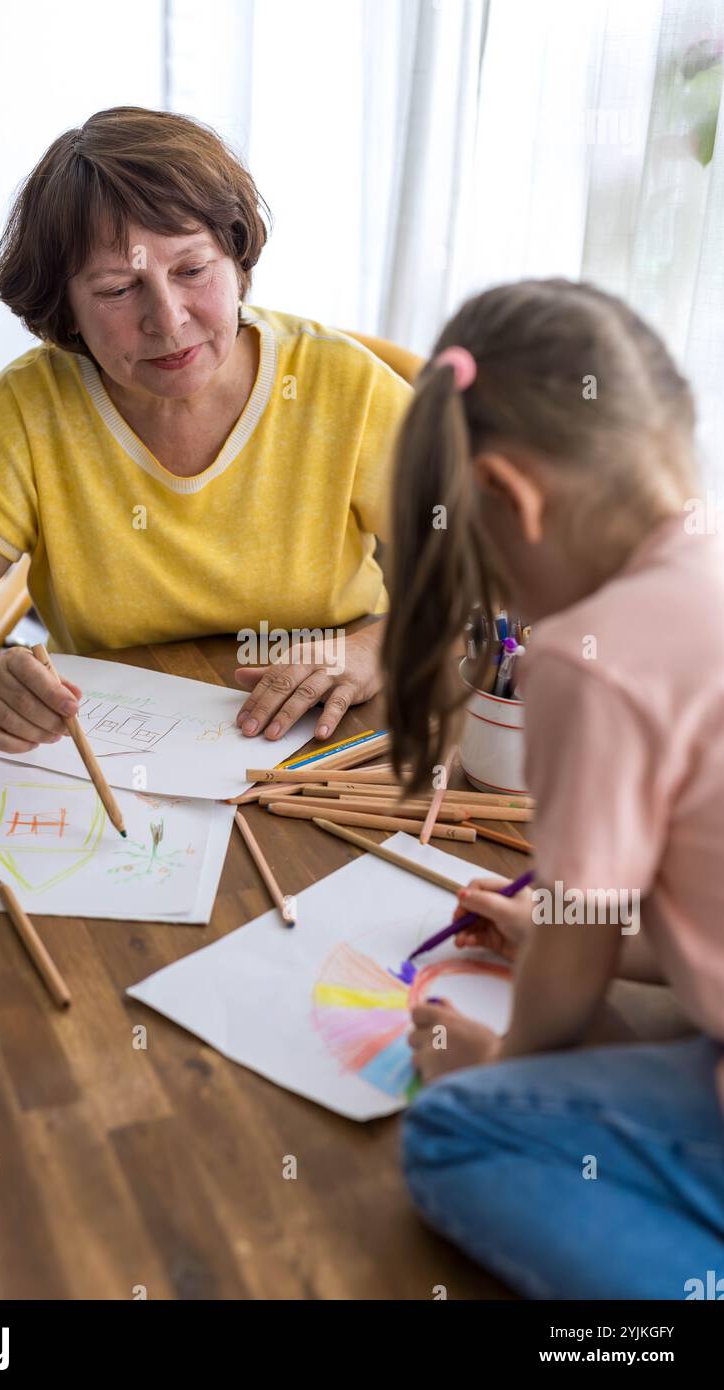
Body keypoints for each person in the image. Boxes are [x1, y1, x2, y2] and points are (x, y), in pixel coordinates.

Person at [0, 107, 411, 754]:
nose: (169, 321)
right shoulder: (30, 409)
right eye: (119, 290)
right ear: (64, 311)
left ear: (237, 258)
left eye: (193, 270)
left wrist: (380, 647)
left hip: (336, 739)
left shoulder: (345, 387)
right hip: (115, 754)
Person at [382, 277, 724, 1299]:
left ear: (509, 499)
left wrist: (502, 1066)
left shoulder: (586, 652)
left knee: (451, 1134)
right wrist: (596, 942)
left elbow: (572, 955)